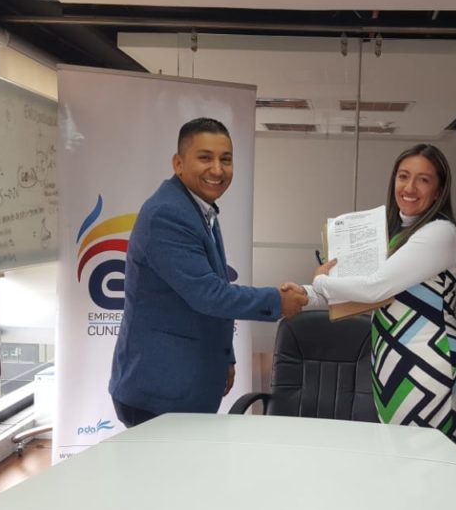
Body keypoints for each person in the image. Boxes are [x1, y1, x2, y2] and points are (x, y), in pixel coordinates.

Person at [108, 117, 307, 426]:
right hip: (158, 393)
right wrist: (278, 302)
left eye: (226, 160)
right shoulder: (167, 214)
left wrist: (225, 356)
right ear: (178, 163)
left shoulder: (196, 207)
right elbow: (209, 294)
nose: (217, 170)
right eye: (205, 158)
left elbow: (211, 288)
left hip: (185, 383)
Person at [302, 144, 456, 448]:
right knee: (398, 456)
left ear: (439, 190)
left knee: (429, 458)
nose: (409, 187)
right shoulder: (396, 234)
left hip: (427, 362)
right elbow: (358, 292)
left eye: (423, 180)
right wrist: (304, 294)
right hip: (392, 359)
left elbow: (375, 287)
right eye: (403, 176)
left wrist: (322, 281)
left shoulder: (440, 233)